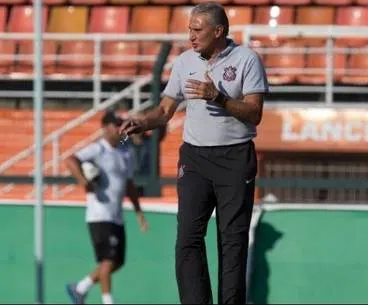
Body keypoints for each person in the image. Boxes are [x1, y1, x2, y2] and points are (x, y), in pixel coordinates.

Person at [119, 2, 269, 303]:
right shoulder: (185, 61)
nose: (191, 35)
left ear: (219, 31)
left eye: (197, 29)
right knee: (187, 239)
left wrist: (219, 97)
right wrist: (142, 121)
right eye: (189, 28)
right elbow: (164, 110)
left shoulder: (246, 59)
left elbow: (254, 113)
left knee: (232, 242)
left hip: (235, 158)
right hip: (195, 159)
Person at [65, 111, 149, 305]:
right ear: (105, 128)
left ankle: (80, 288)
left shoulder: (124, 152)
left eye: (120, 124)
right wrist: (83, 181)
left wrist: (139, 212)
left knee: (117, 261)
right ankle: (107, 300)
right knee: (108, 260)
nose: (119, 128)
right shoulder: (98, 150)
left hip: (116, 215)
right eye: (114, 125)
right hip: (99, 214)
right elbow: (71, 159)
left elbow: (129, 184)